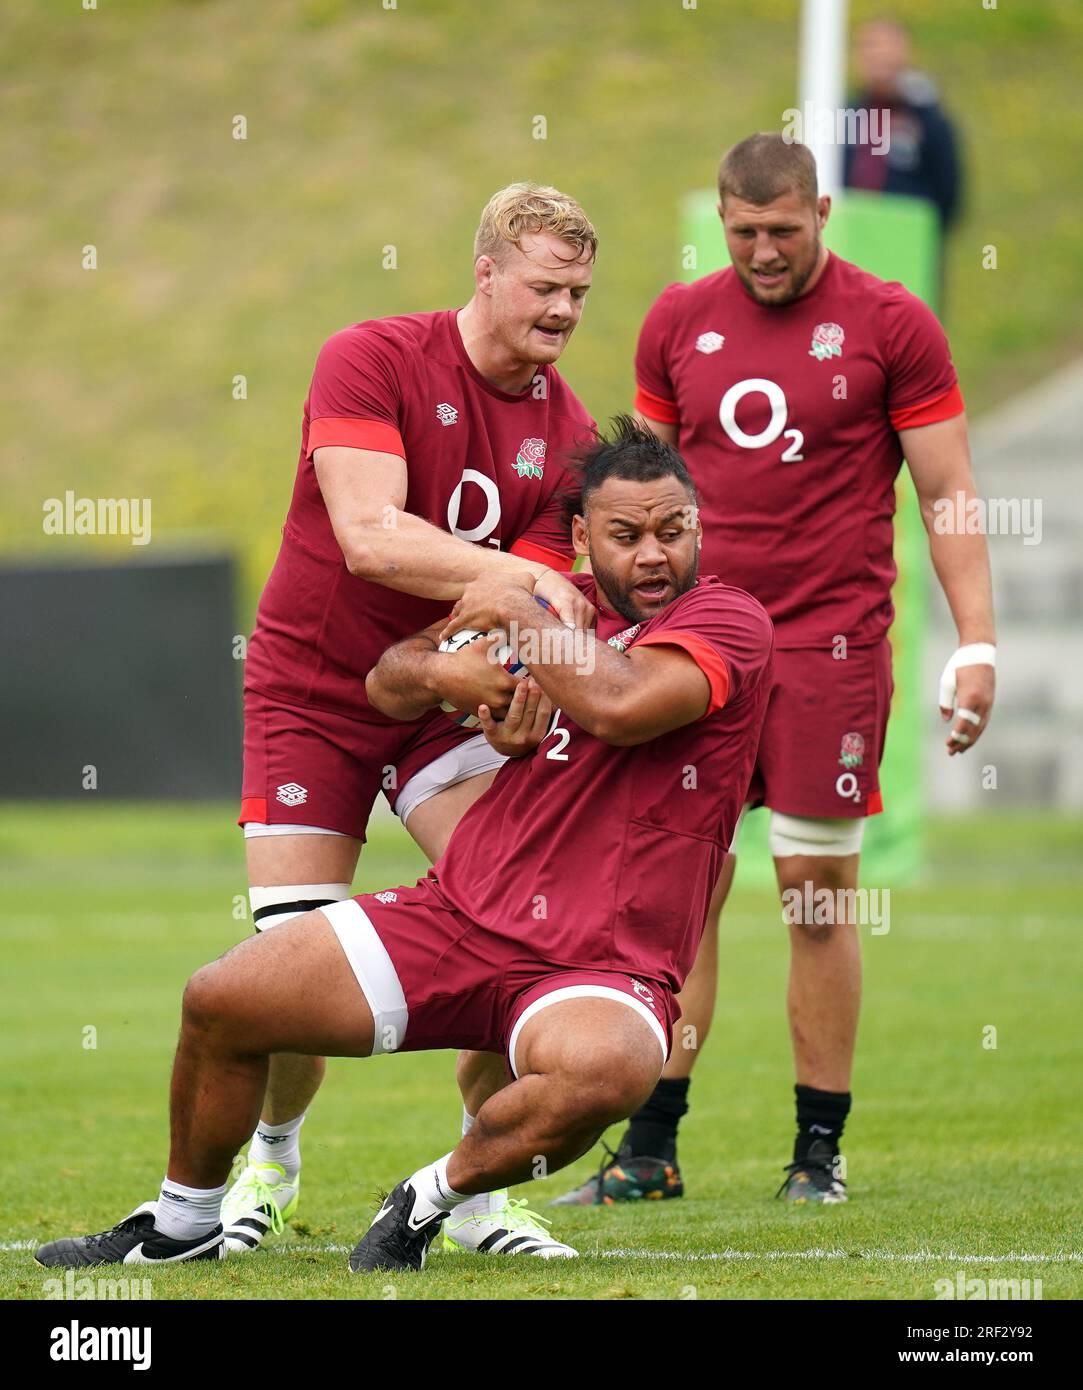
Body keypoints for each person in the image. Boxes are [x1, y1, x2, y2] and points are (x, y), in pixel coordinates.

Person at [34, 420, 774, 1274]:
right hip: (460, 913)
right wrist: (449, 675)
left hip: (601, 958)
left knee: (608, 1073)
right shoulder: (554, 603)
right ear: (580, 537)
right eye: (626, 534)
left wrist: (515, 604)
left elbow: (621, 703)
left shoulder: (725, 617)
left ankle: (430, 1198)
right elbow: (386, 683)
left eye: (672, 530)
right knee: (223, 999)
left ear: (698, 527)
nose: (653, 555)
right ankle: (185, 1219)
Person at [553, 133, 995, 1208]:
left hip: (827, 644)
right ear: (720, 220)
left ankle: (816, 1154)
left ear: (822, 213)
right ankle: (649, 1151)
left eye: (783, 230)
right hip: (697, 641)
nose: (762, 251)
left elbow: (946, 491)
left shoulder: (893, 323)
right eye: (744, 231)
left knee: (814, 893)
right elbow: (636, 500)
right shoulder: (676, 320)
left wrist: (976, 639)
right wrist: (598, 627)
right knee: (675, 890)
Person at [226, 181, 597, 1259]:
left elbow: (524, 616)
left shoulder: (570, 434)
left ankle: (481, 1192)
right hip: (314, 691)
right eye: (544, 286)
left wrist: (497, 675)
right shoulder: (373, 357)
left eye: (578, 292)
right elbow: (371, 538)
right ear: (486, 272)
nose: (563, 310)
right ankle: (271, 1163)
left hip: (445, 703)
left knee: (530, 927)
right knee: (289, 964)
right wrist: (517, 590)